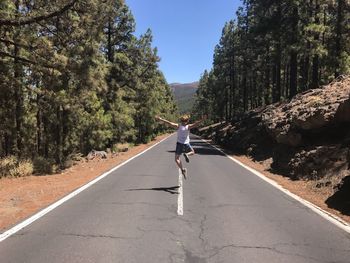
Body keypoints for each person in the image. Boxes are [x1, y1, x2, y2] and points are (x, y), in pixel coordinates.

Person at [155, 114, 207, 179]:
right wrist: (203, 119)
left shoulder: (178, 126)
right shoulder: (188, 126)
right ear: (187, 121)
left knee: (176, 159)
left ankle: (182, 169)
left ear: (181, 120)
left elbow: (168, 123)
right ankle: (187, 154)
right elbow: (196, 124)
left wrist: (160, 119)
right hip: (186, 144)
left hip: (179, 144)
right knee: (193, 152)